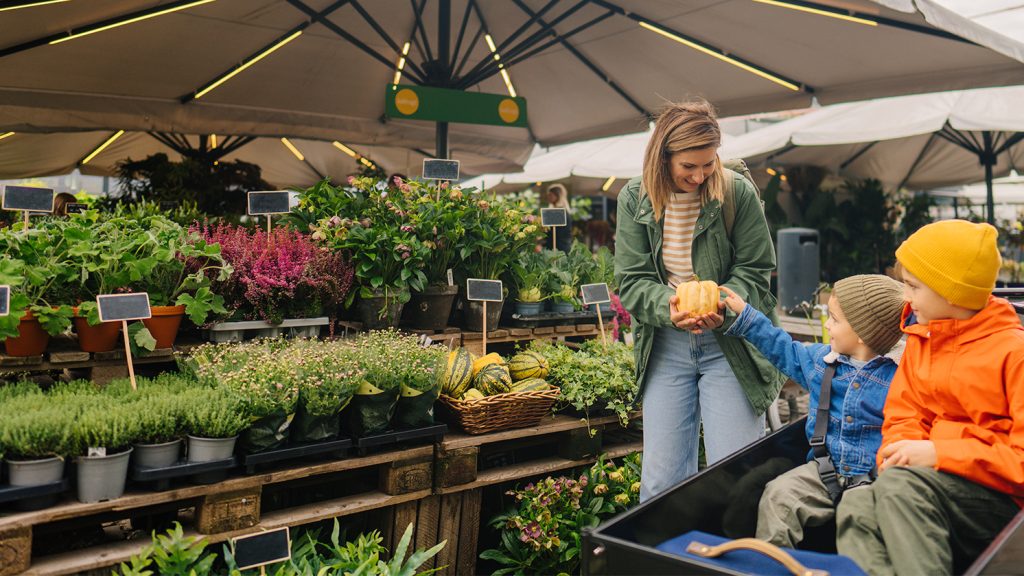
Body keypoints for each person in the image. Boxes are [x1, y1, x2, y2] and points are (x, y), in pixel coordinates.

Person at [614, 100, 784, 502]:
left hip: (731, 345)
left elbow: (757, 269)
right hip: (666, 346)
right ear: (663, 156)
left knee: (736, 475)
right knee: (661, 482)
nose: (700, 175)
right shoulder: (634, 199)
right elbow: (633, 281)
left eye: (707, 164)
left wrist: (722, 305)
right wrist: (668, 308)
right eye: (688, 166)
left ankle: (729, 560)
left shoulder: (734, 192)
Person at [836, 220, 1024, 575]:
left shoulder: (1014, 354)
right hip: (927, 486)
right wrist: (899, 453)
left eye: (912, 287)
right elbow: (903, 416)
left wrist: (939, 453)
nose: (904, 298)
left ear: (950, 291)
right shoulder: (923, 340)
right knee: (857, 504)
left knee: (900, 487)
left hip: (1004, 506)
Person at [718, 275, 906, 548]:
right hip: (822, 471)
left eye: (835, 319)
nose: (827, 324)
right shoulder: (822, 362)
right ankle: (772, 564)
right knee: (777, 495)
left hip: (873, 482)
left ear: (863, 333)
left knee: (859, 524)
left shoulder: (901, 377)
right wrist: (747, 317)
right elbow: (783, 348)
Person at [545, 183, 573, 253]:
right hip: (557, 246)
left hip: (559, 247)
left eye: (550, 195)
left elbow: (556, 232)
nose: (548, 197)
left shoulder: (559, 211)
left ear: (557, 196)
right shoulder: (557, 210)